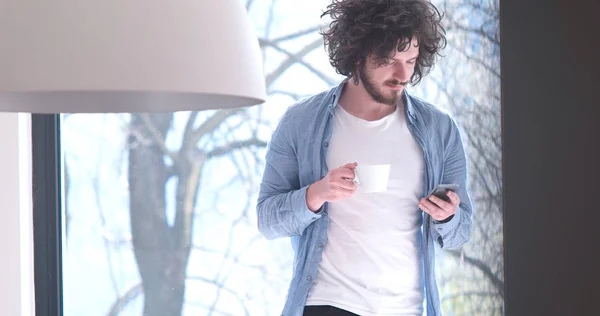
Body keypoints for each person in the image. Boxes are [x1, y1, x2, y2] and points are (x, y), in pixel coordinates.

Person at [256, 0, 474, 315]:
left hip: (406, 308)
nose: (402, 74)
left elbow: (461, 232)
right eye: (388, 60)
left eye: (411, 60)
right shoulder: (301, 122)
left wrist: (447, 216)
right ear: (358, 55)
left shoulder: (439, 129)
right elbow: (267, 220)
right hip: (328, 304)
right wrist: (316, 194)